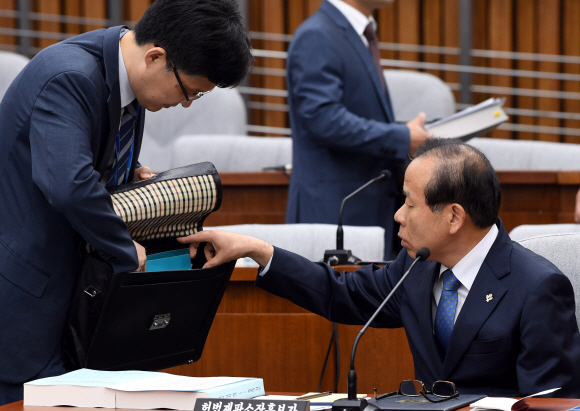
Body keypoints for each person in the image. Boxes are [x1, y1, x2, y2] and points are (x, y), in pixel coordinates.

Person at [179, 139, 580, 397]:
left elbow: (551, 406)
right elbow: (342, 294)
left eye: (409, 202)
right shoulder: (417, 266)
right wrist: (259, 250)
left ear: (454, 217)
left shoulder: (538, 288)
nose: (397, 215)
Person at [0, 0, 253, 404]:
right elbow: (67, 183)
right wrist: (123, 246)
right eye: (189, 91)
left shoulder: (125, 78)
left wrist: (125, 173)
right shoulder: (69, 76)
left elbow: (78, 161)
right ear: (156, 57)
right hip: (25, 301)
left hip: (71, 292)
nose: (186, 104)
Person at [285, 0, 431, 258]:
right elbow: (323, 119)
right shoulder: (317, 35)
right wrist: (402, 137)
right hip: (335, 212)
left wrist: (407, 134)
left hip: (369, 206)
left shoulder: (356, 32)